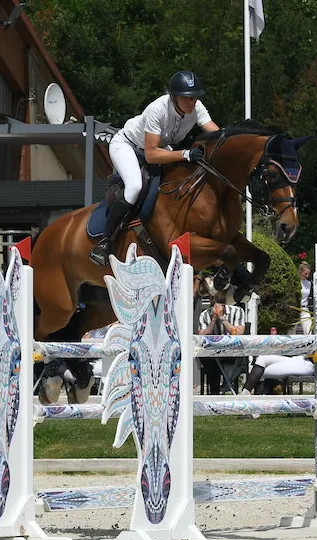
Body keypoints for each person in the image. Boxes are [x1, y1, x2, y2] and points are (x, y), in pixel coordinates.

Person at [89, 70, 221, 266]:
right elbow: (151, 155)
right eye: (187, 98)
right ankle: (105, 241)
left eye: (194, 97)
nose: (192, 101)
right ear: (174, 97)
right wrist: (185, 154)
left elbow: (216, 133)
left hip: (159, 147)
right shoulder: (157, 109)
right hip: (128, 146)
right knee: (134, 187)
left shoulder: (196, 107)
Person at [197, 290, 245, 394]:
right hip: (212, 353)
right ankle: (215, 393)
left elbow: (238, 333)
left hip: (232, 350)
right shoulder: (205, 315)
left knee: (236, 360)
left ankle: (228, 386)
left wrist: (223, 319)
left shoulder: (237, 311)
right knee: (208, 359)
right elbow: (202, 335)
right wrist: (213, 320)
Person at [298, 261, 313, 335]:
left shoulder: (309, 283)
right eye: (305, 274)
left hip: (304, 309)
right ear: (300, 272)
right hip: (295, 308)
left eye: (308, 274)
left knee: (308, 330)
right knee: (291, 332)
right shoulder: (296, 282)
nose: (307, 276)